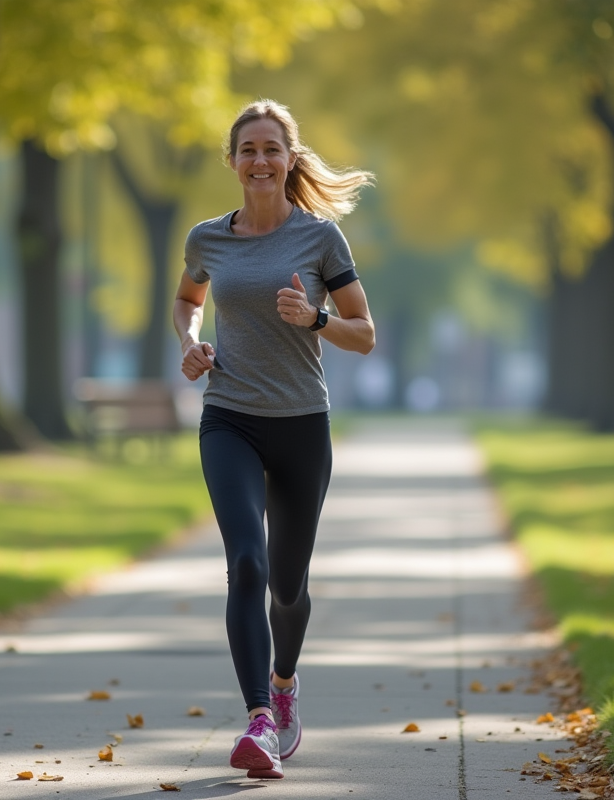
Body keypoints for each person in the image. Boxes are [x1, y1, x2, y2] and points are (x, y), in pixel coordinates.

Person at [173, 99, 376, 780]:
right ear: (232, 162)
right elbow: (186, 301)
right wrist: (191, 343)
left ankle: (285, 684)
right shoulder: (208, 238)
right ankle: (259, 718)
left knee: (287, 587)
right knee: (247, 565)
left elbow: (365, 334)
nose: (260, 160)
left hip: (300, 425)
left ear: (289, 160)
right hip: (228, 417)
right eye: (248, 149)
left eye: (271, 149)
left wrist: (315, 318)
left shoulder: (320, 239)